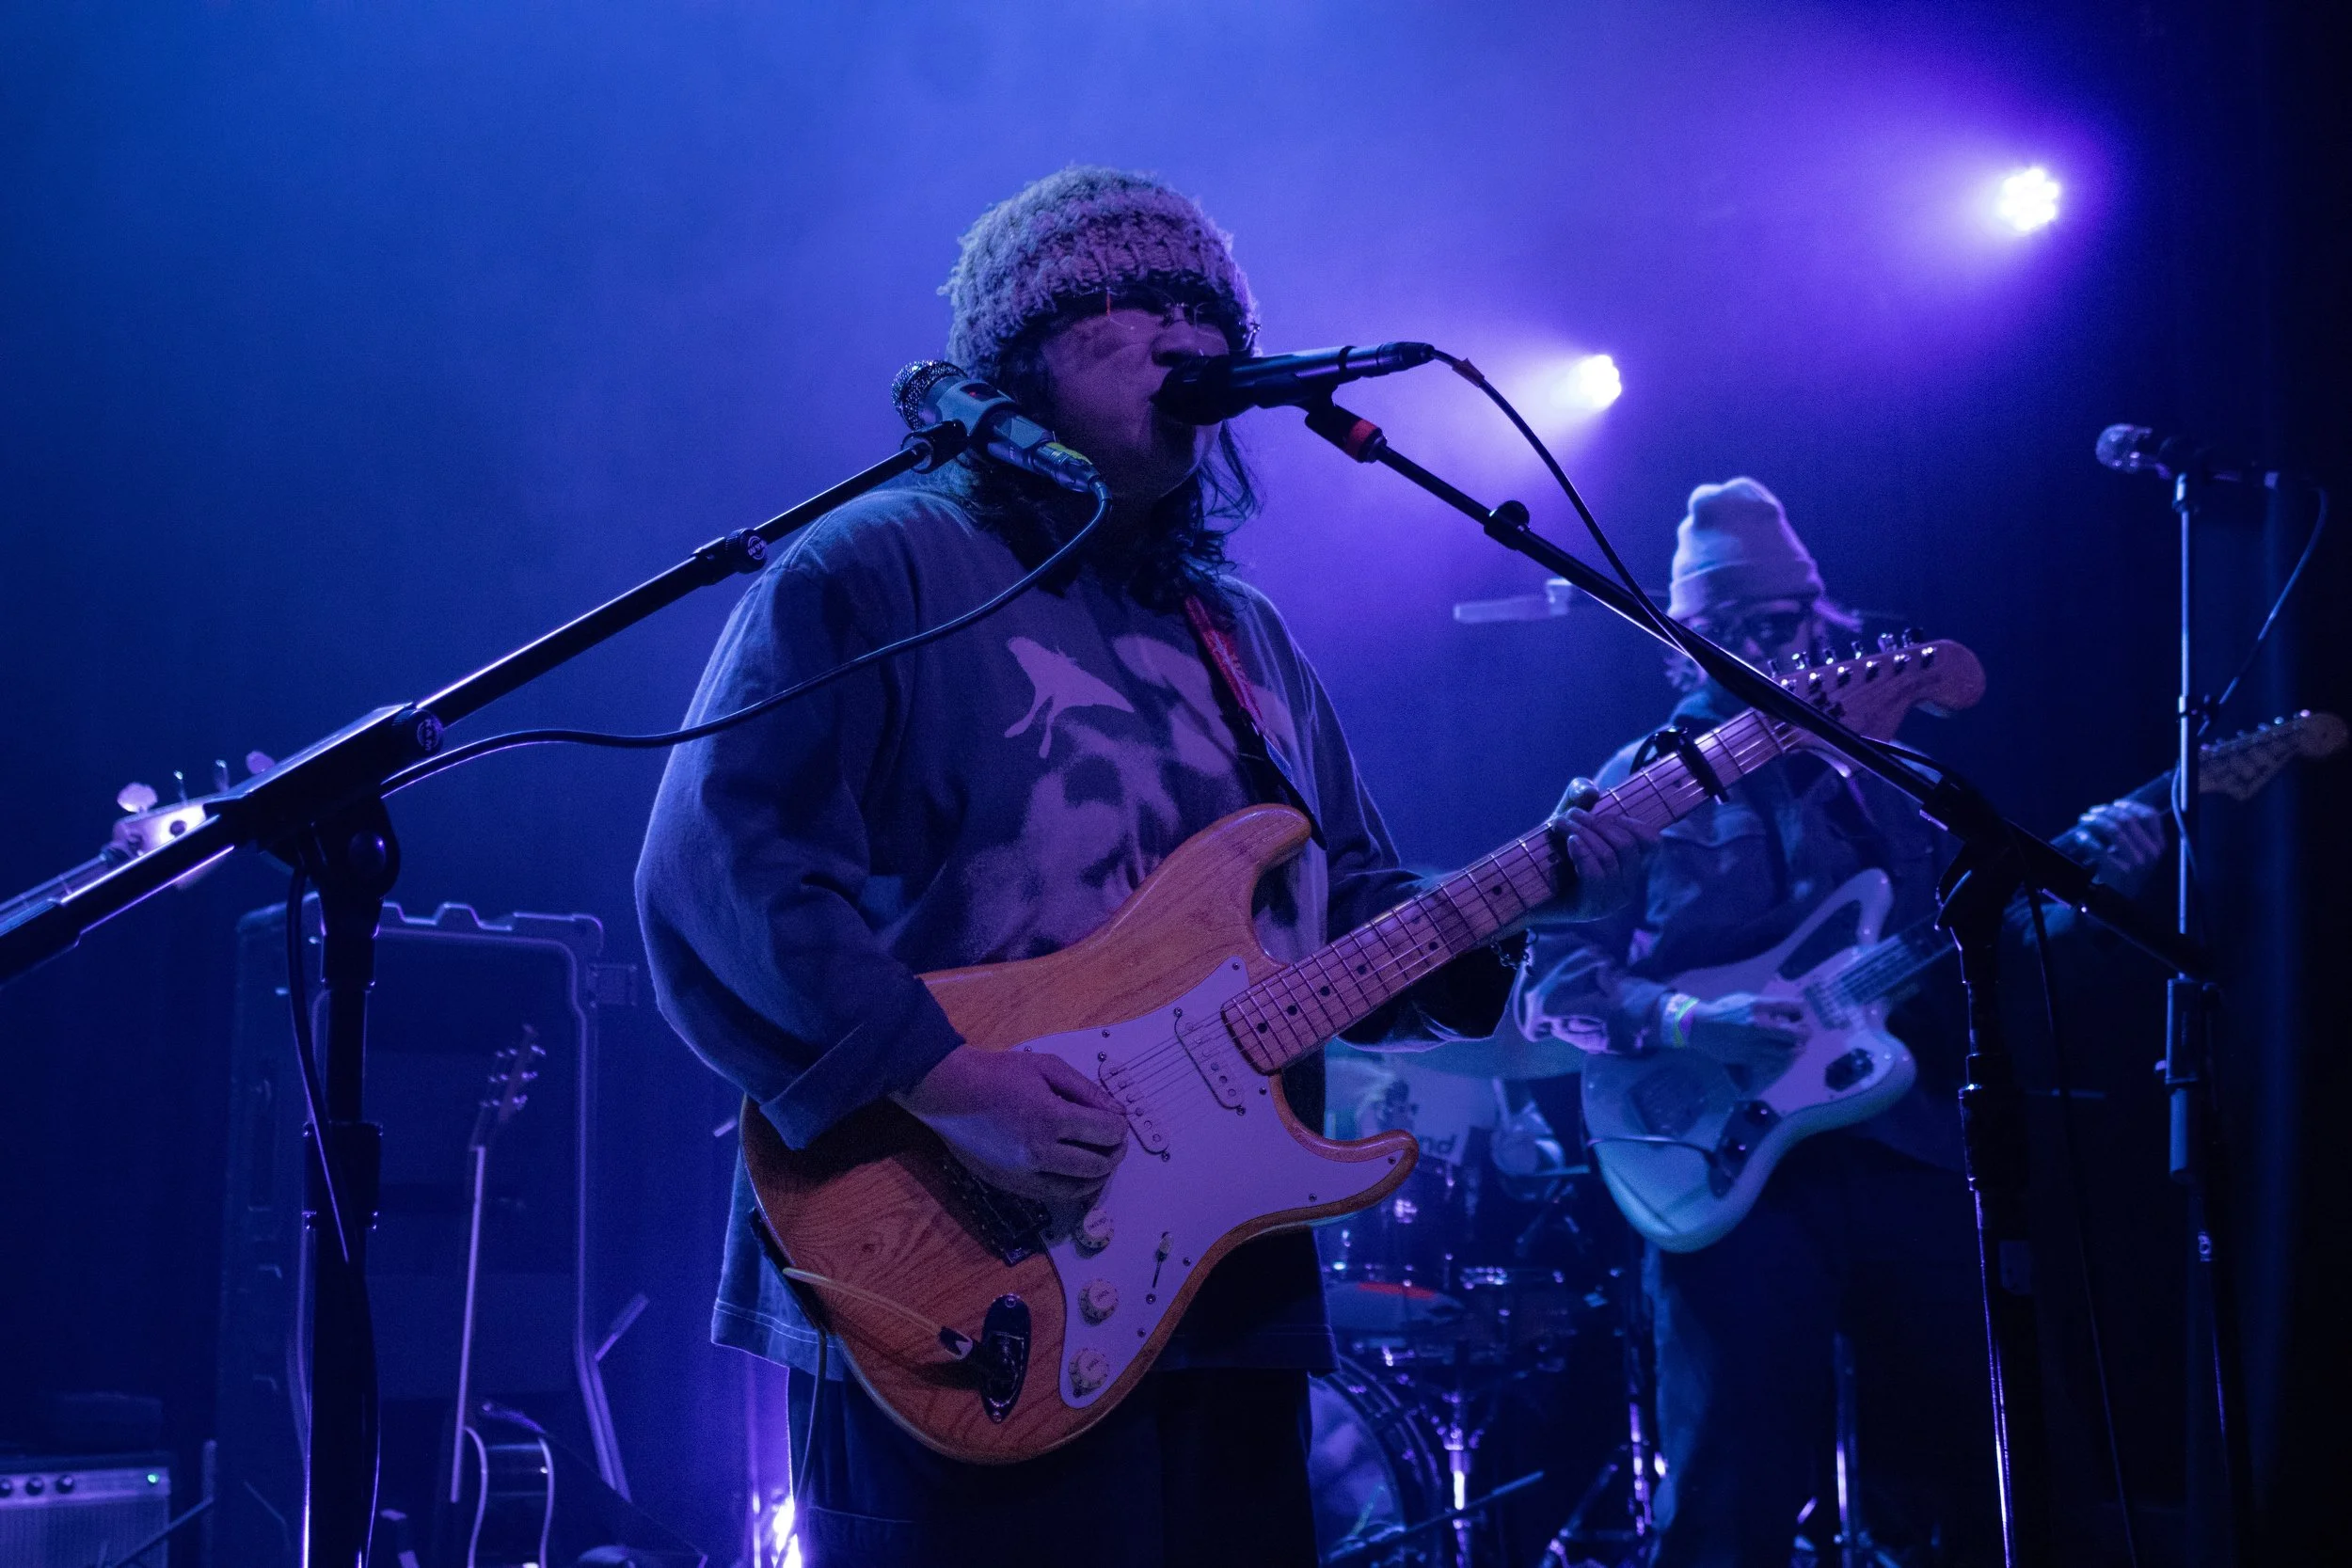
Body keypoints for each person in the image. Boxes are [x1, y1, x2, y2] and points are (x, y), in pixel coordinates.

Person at [635, 166, 1655, 1568]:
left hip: (1223, 1286)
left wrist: (1528, 894)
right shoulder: (875, 566)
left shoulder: (1242, 631)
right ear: (1019, 352)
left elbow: (1347, 907)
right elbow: (724, 869)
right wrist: (951, 1078)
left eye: (1207, 308)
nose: (1188, 334)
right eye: (1129, 300)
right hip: (953, 1259)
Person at [1518, 478, 2165, 1567]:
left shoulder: (1888, 775)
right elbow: (1557, 984)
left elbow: (1974, 950)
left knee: (2015, 1452)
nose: (1759, 647)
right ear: (1683, 642)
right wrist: (1689, 1019)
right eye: (1727, 629)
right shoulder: (1642, 783)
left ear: (1821, 618)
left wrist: (2094, 898)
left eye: (1779, 621)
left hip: (1902, 1141)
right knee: (1729, 1491)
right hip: (1726, 1165)